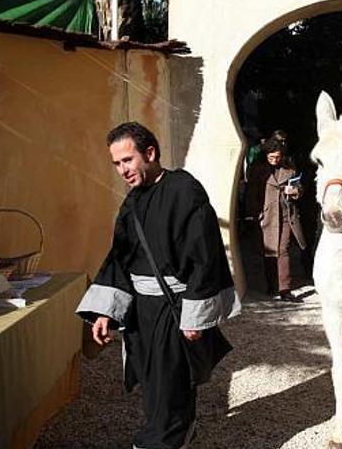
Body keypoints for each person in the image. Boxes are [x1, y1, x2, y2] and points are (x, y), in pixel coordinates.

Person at [76, 121, 240, 448]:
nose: (122, 170)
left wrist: (195, 316)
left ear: (150, 153)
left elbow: (205, 254)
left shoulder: (184, 190)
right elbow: (120, 258)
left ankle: (161, 441)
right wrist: (106, 313)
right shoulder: (132, 203)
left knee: (168, 384)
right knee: (154, 382)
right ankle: (182, 429)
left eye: (128, 160)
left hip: (173, 307)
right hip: (141, 312)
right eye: (117, 164)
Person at [246, 137, 306, 302]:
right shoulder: (257, 170)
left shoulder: (290, 168)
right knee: (269, 251)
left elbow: (300, 188)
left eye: (277, 157)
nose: (275, 160)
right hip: (267, 214)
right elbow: (251, 194)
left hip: (287, 213)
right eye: (271, 157)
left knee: (283, 249)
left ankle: (284, 288)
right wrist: (254, 213)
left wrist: (295, 191)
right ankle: (272, 285)